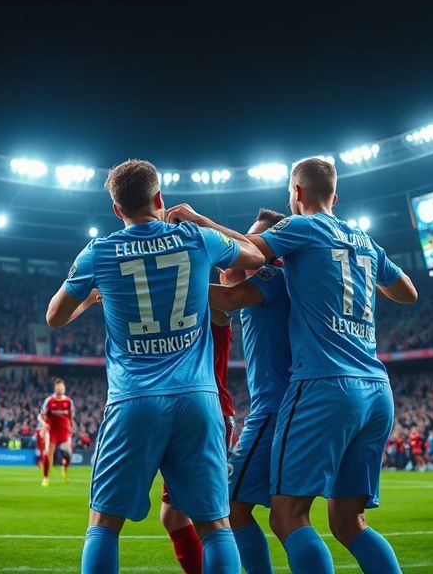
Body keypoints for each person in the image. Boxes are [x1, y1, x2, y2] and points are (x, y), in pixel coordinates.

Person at [166, 157, 418, 574]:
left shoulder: (294, 239)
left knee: (282, 515)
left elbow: (246, 258)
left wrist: (193, 226)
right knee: (349, 522)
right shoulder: (364, 241)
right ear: (335, 195)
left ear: (296, 193)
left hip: (318, 389)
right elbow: (407, 293)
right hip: (376, 386)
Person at [47, 159, 265, 574]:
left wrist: (90, 301)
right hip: (199, 402)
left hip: (133, 400)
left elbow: (54, 316)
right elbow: (255, 257)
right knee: (216, 526)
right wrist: (201, 219)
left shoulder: (100, 251)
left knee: (104, 527)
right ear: (159, 198)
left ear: (116, 209)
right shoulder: (198, 239)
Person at [208, 207, 292, 573]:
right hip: (289, 404)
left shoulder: (273, 277)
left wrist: (168, 279)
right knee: (288, 518)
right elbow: (229, 279)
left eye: (256, 241)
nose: (250, 248)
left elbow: (226, 295)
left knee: (232, 505)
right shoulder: (281, 282)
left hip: (273, 407)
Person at [159, 309, 237, 574]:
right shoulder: (183, 312)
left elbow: (222, 310)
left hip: (212, 415)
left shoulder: (215, 309)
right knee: (174, 515)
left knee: (212, 518)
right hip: (189, 415)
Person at [39, 378, 75, 485]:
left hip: (64, 431)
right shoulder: (49, 401)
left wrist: (71, 427)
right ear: (55, 388)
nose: (61, 389)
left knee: (68, 455)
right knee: (48, 454)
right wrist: (44, 426)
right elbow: (41, 415)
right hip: (52, 431)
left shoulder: (69, 401)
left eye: (62, 387)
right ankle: (45, 478)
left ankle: (64, 469)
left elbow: (70, 416)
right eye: (59, 387)